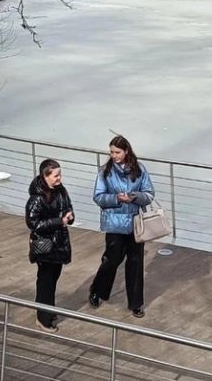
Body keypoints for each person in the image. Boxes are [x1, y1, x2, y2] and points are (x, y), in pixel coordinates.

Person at [89, 135, 154, 318]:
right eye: (111, 152)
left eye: (117, 152)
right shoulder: (105, 172)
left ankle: (136, 303)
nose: (114, 155)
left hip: (135, 223)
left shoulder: (140, 170)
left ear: (126, 151)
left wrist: (134, 196)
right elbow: (98, 197)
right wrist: (117, 198)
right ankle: (97, 290)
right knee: (111, 260)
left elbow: (149, 194)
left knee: (135, 263)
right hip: (114, 224)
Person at [25, 159, 74, 333]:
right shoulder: (37, 198)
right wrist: (58, 221)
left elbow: (68, 207)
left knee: (53, 279)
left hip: (59, 243)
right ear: (45, 176)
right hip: (45, 246)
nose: (59, 178)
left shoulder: (61, 191)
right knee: (45, 281)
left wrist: (70, 216)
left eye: (60, 174)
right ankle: (43, 319)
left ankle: (49, 311)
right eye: (55, 175)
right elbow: (33, 223)